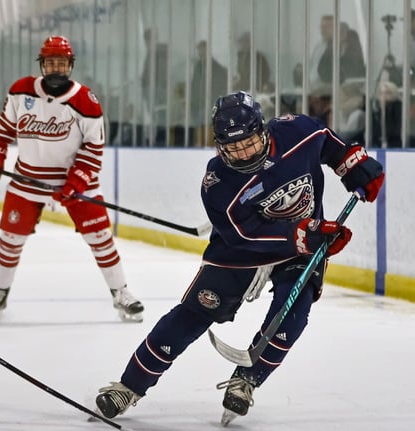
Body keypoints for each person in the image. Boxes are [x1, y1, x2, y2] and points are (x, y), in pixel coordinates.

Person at [94, 91, 384, 426]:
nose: (243, 153)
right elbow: (243, 235)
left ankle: (246, 380)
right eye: (232, 148)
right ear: (219, 146)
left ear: (263, 130)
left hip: (301, 245)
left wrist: (353, 163)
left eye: (248, 143)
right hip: (241, 251)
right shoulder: (217, 182)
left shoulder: (297, 132)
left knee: (294, 312)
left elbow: (330, 144)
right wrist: (304, 234)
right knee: (194, 313)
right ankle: (130, 386)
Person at [0, 35, 144, 322]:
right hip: (28, 181)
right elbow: (4, 128)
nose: (56, 68)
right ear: (42, 64)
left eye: (62, 63)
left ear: (70, 65)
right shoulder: (21, 91)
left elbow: (94, 147)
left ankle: (121, 292)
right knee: (10, 239)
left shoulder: (85, 101)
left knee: (101, 238)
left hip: (75, 183)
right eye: (51, 63)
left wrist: (76, 182)